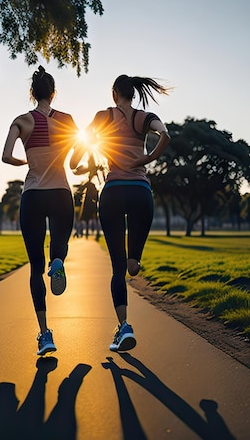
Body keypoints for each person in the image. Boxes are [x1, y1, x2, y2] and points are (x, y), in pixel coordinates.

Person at [71, 74, 171, 352]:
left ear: (114, 94)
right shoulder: (144, 117)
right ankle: (135, 261)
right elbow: (165, 135)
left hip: (113, 193)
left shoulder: (104, 116)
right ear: (134, 94)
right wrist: (147, 158)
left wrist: (78, 163)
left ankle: (124, 326)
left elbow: (80, 148)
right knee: (131, 264)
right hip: (141, 193)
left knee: (117, 269)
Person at [2, 66, 79, 356]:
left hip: (33, 194)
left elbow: (6, 155)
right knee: (59, 245)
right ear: (54, 92)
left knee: (35, 267)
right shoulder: (69, 121)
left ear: (33, 93)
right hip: (61, 192)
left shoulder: (22, 120)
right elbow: (79, 153)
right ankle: (57, 261)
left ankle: (45, 334)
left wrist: (25, 163)